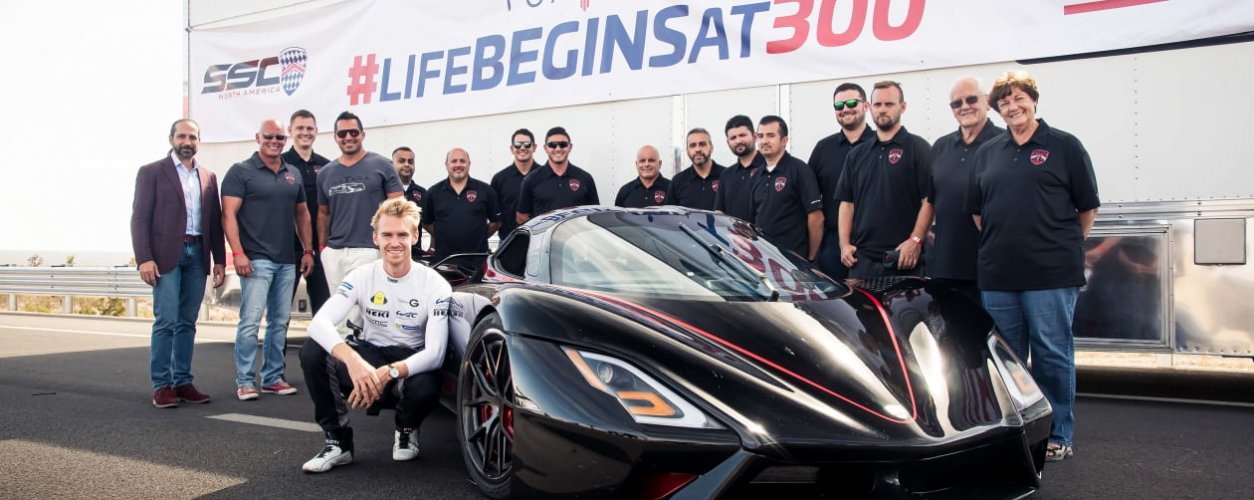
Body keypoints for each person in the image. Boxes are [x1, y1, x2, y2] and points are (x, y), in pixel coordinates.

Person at [967, 70, 1100, 462]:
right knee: (1006, 360)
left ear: (1034, 100)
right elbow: (978, 213)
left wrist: (1061, 244)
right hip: (999, 274)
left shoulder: (1064, 146)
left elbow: (1087, 208)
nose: (1012, 106)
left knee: (1052, 354)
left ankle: (1058, 434)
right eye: (1004, 101)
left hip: (1051, 274)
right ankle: (1016, 434)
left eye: (1019, 98)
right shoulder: (988, 151)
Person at [299, 198, 451, 473]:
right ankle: (338, 442)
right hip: (369, 354)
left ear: (415, 237)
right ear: (375, 238)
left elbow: (436, 353)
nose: (395, 242)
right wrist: (354, 363)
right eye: (387, 235)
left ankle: (406, 428)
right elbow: (318, 323)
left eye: (402, 235)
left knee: (428, 385)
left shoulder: (435, 284)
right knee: (312, 351)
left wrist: (388, 373)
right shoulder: (360, 275)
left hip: (409, 361)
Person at [130, 118, 225, 408]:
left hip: (197, 254)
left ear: (199, 141)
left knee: (187, 322)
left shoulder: (208, 177)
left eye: (192, 137)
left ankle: (182, 382)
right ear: (171, 139)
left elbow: (214, 221)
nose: (187, 142)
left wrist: (219, 260)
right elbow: (140, 218)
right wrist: (144, 258)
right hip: (165, 256)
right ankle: (162, 386)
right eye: (182, 136)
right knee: (166, 321)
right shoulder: (151, 172)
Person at [221, 118, 316, 401]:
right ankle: (245, 381)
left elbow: (302, 214)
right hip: (255, 260)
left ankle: (273, 378)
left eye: (279, 138)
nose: (274, 142)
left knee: (280, 321)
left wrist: (307, 250)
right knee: (251, 321)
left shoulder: (292, 173)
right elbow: (228, 215)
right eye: (269, 137)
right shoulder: (241, 171)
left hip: (287, 260)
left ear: (285, 140)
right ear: (257, 137)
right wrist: (238, 253)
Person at [317, 111, 404, 336]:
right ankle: (342, 355)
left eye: (353, 132)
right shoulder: (325, 173)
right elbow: (323, 213)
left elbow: (398, 208)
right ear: (335, 137)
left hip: (367, 249)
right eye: (342, 133)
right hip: (334, 252)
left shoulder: (382, 165)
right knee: (339, 311)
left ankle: (359, 353)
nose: (348, 137)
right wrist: (323, 248)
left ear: (362, 134)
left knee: (361, 312)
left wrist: (388, 245)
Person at [836, 81, 934, 279]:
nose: (882, 110)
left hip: (904, 259)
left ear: (902, 107)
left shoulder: (918, 148)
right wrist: (844, 244)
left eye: (889, 104)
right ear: (869, 107)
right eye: (877, 104)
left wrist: (915, 240)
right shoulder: (857, 155)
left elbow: (929, 201)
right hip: (862, 262)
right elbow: (847, 204)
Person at [928, 77, 1004, 302]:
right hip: (946, 267)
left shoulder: (1004, 142)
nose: (964, 107)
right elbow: (929, 201)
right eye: (957, 103)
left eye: (971, 99)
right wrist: (916, 239)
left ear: (987, 102)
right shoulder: (941, 146)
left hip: (991, 267)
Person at [808, 83, 875, 280]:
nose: (845, 109)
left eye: (852, 103)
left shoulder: (880, 145)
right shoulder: (823, 148)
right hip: (832, 243)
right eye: (839, 105)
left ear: (866, 106)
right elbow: (809, 199)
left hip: (873, 243)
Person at [748, 116, 823, 260]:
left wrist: (811, 258)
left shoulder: (800, 170)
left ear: (784, 140)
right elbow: (752, 221)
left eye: (770, 135)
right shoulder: (756, 176)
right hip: (764, 259)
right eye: (760, 136)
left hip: (793, 261)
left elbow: (816, 218)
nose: (764, 141)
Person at [283, 110, 332, 315]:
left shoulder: (327, 166)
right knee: (281, 312)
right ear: (290, 130)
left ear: (316, 131)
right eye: (300, 128)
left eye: (309, 128)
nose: (305, 132)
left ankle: (320, 339)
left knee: (324, 310)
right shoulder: (280, 163)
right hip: (287, 249)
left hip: (320, 249)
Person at [421, 148, 501, 267]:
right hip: (444, 262)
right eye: (454, 161)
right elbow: (426, 223)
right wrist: (444, 236)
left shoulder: (486, 191)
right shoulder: (433, 193)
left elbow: (496, 222)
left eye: (462, 161)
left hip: (477, 262)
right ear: (446, 165)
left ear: (469, 164)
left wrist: (479, 236)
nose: (458, 165)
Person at [516, 127, 599, 224]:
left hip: (577, 234)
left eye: (563, 144)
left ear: (570, 147)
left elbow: (595, 214)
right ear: (546, 148)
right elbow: (521, 217)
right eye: (552, 145)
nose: (558, 149)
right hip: (545, 235)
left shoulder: (585, 178)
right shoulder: (531, 180)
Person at [713, 115, 766, 221]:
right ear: (728, 142)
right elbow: (719, 211)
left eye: (742, 135)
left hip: (764, 232)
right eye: (733, 138)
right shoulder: (726, 175)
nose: (738, 141)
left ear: (754, 136)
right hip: (734, 232)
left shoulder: (768, 167)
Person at [490, 129, 537, 239]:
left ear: (534, 147)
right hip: (508, 242)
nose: (522, 148)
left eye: (527, 144)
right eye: (517, 145)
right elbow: (494, 217)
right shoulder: (499, 179)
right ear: (512, 149)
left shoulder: (545, 176)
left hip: (538, 242)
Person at [666, 128, 725, 210]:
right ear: (687, 151)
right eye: (692, 145)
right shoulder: (678, 181)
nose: (697, 149)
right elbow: (670, 214)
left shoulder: (727, 176)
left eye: (702, 144)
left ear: (711, 148)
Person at [392, 146, 427, 259]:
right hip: (388, 253)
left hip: (414, 257)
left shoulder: (422, 193)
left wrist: (432, 246)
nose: (407, 164)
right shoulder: (383, 190)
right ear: (392, 165)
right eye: (402, 161)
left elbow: (431, 223)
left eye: (410, 161)